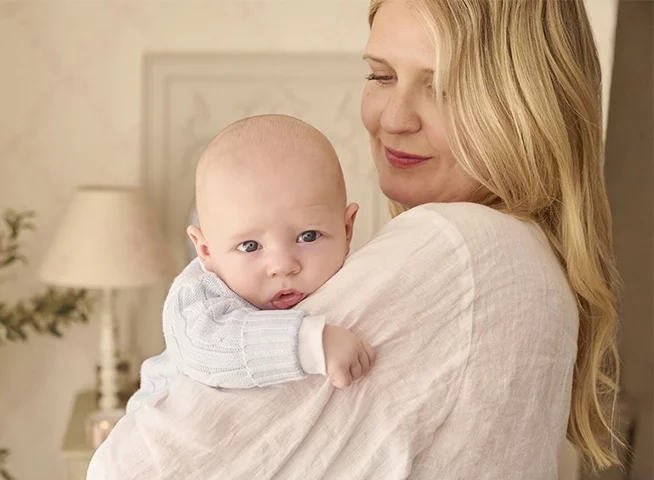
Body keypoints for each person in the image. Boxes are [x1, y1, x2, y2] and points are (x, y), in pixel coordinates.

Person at [87, 0, 621, 478]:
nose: (393, 118)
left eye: (442, 86)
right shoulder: (525, 259)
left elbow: (132, 468)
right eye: (381, 76)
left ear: (524, 105)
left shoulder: (458, 247)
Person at [127, 115, 375, 413]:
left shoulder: (359, 277)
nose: (283, 266)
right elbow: (205, 348)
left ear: (347, 230)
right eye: (250, 246)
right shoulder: (198, 295)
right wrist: (312, 343)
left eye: (308, 236)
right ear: (205, 250)